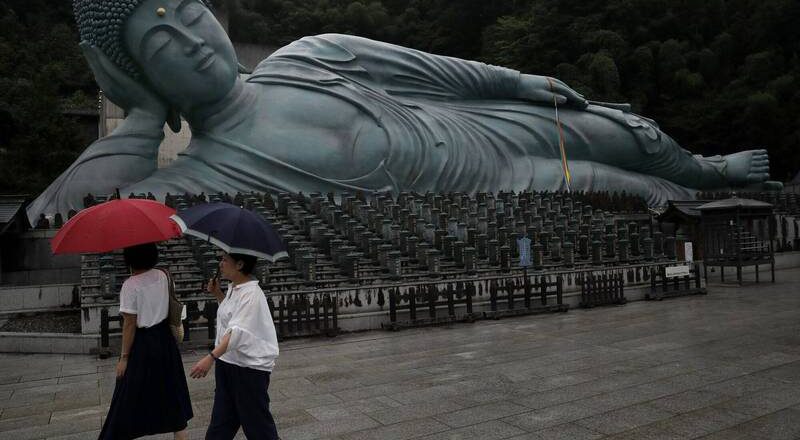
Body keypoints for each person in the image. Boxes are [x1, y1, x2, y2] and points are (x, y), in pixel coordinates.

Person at [27, 0, 779, 224]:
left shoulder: (309, 54)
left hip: (473, 128)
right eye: (159, 44)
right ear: (141, 75)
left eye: (190, 13)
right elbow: (84, 209)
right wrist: (138, 119)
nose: (191, 41)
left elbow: (435, 70)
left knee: (617, 131)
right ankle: (699, 192)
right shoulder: (200, 171)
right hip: (493, 184)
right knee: (627, 186)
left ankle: (708, 166)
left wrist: (519, 81)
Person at [99, 242, 193, 440]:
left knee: (126, 396)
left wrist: (124, 357)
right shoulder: (163, 275)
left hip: (143, 344)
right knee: (171, 392)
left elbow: (129, 324)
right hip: (165, 340)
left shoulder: (130, 285)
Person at [190, 252, 279, 440]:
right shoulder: (235, 288)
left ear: (239, 265)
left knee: (258, 427)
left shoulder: (252, 294)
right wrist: (218, 294)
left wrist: (210, 357)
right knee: (220, 424)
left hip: (248, 370)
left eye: (224, 260)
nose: (220, 264)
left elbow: (236, 332)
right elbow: (231, 316)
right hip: (229, 363)